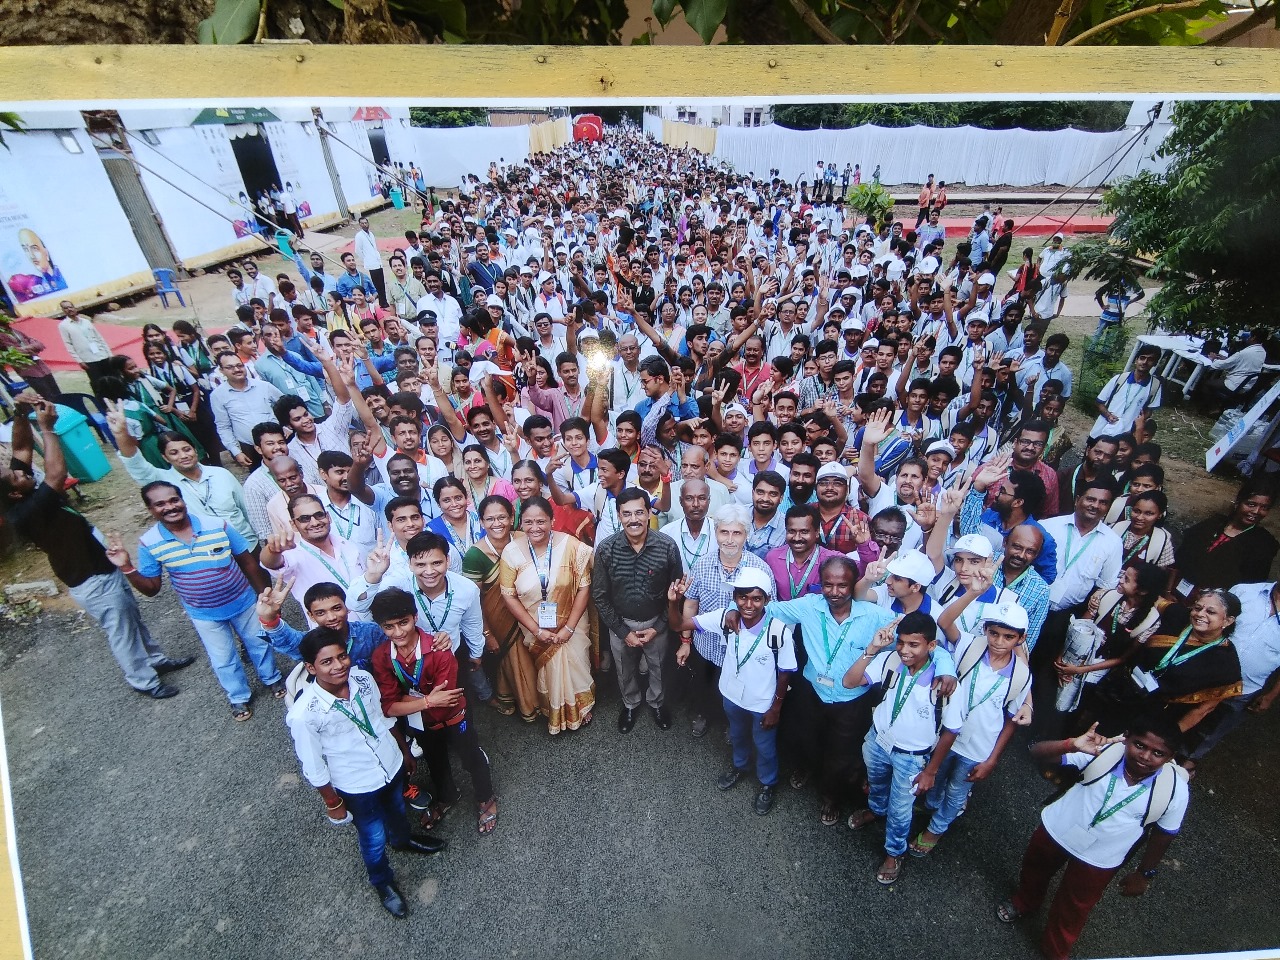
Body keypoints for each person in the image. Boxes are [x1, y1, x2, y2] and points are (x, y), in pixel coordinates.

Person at [1, 393, 193, 698]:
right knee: (122, 631)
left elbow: (22, 448)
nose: (24, 471)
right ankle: (145, 682)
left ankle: (156, 660)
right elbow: (56, 474)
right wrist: (47, 429)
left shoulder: (16, 491)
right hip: (92, 579)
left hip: (103, 565)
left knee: (131, 618)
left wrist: (21, 413)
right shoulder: (27, 511)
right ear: (13, 493)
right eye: (17, 475)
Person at [762, 556, 957, 827]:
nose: (834, 592)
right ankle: (806, 768)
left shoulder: (876, 616)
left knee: (841, 753)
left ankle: (831, 796)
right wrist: (733, 612)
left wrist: (946, 668)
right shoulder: (808, 605)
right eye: (828, 584)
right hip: (812, 692)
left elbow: (925, 641)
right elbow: (766, 610)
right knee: (806, 738)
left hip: (851, 701)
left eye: (842, 585)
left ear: (853, 584)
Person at [997, 715, 1190, 960]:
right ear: (1126, 738)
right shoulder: (1104, 751)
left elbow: (1164, 834)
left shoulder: (1175, 789)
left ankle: (1055, 951)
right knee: (1035, 869)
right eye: (1139, 745)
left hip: (1101, 857)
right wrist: (1071, 744)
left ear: (1171, 756)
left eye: (1158, 753)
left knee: (1075, 907)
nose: (1145, 756)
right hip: (1059, 829)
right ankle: (1026, 901)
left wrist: (1144, 873)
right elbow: (1037, 752)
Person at [285, 629, 445, 919]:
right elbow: (313, 765)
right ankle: (382, 882)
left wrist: (404, 752)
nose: (339, 666)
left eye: (342, 656)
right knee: (372, 838)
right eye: (327, 662)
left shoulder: (362, 678)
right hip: (357, 785)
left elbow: (382, 719)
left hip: (390, 764)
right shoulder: (304, 713)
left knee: (397, 811)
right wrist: (333, 803)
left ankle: (402, 840)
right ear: (311, 667)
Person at [104, 482, 281, 721]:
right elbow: (152, 589)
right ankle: (238, 696)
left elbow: (247, 561)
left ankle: (272, 678)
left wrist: (263, 594)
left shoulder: (217, 525)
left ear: (182, 500)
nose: (170, 507)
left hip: (243, 602)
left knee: (259, 643)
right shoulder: (150, 542)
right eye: (160, 504)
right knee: (223, 658)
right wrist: (126, 567)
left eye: (173, 500)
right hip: (203, 613)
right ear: (150, 510)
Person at [369, 588, 499, 836]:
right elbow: (388, 707)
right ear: (381, 627)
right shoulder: (381, 657)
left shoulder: (440, 650)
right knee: (434, 761)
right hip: (422, 723)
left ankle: (485, 796)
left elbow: (445, 700)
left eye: (403, 622)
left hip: (454, 719)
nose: (398, 632)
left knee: (471, 757)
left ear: (415, 617)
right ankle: (447, 796)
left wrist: (405, 702)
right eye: (389, 627)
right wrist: (428, 701)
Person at [667, 567, 796, 815]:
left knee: (765, 745)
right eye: (743, 597)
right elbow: (678, 625)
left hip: (762, 702)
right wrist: (674, 603)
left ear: (767, 600)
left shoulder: (778, 631)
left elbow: (785, 672)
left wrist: (776, 708)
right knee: (737, 735)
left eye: (756, 598)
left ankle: (768, 783)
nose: (749, 604)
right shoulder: (725, 619)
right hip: (731, 694)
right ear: (734, 597)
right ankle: (740, 766)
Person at [844, 610, 959, 885]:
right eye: (901, 642)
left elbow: (951, 731)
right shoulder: (890, 660)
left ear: (932, 645)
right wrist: (873, 649)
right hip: (878, 742)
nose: (905, 650)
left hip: (912, 757)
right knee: (877, 783)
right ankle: (876, 809)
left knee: (900, 809)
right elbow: (850, 682)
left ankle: (894, 852)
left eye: (913, 645)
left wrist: (930, 771)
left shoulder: (944, 683)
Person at [912, 601, 1032, 858]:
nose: (999, 641)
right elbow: (944, 622)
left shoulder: (1021, 675)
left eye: (1008, 637)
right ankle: (932, 804)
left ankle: (937, 828)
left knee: (958, 790)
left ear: (1021, 639)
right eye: (994, 633)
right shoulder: (969, 646)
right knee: (936, 774)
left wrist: (992, 759)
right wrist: (974, 593)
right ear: (985, 630)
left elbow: (1010, 720)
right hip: (946, 735)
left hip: (979, 746)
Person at [498, 496, 597, 734]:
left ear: (552, 521)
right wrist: (536, 630)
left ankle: (580, 705)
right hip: (535, 625)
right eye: (528, 522)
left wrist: (569, 627)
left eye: (541, 521)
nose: (535, 528)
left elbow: (584, 588)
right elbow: (508, 595)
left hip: (572, 623)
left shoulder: (572, 546)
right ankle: (554, 708)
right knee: (549, 668)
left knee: (575, 662)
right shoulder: (511, 552)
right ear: (520, 523)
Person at [591, 487, 685, 733]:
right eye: (627, 514)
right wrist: (623, 631)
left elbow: (676, 593)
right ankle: (630, 704)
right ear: (618, 516)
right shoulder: (606, 549)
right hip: (620, 623)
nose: (634, 519)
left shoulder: (667, 546)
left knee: (659, 668)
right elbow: (599, 596)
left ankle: (657, 703)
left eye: (639, 512)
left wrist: (659, 627)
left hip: (656, 623)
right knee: (624, 670)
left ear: (649, 513)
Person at [677, 503, 776, 738]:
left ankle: (732, 724)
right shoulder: (702, 565)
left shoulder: (760, 569)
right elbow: (691, 605)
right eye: (724, 532)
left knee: (738, 690)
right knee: (703, 684)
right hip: (707, 644)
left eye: (737, 533)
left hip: (743, 648)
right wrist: (685, 642)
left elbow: (770, 611)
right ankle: (702, 714)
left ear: (746, 535)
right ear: (716, 533)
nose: (730, 540)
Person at [462, 495, 539, 723]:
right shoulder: (475, 555)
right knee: (515, 659)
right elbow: (473, 601)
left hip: (529, 611)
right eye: (490, 519)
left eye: (502, 517)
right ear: (481, 522)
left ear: (512, 517)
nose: (497, 523)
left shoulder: (523, 538)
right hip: (498, 618)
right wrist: (487, 634)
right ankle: (529, 704)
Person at [1170, 481, 1278, 602]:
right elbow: (1180, 557)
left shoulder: (1262, 544)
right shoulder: (1213, 524)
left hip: (1214, 603)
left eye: (1264, 508)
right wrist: (1168, 590)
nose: (1256, 511)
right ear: (1238, 502)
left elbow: (1250, 586)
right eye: (1251, 504)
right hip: (1176, 590)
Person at [210, 351, 284, 469]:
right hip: (250, 448)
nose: (237, 369)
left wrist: (287, 427)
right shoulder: (218, 395)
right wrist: (236, 452)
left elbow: (286, 405)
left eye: (239, 365)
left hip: (278, 443)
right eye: (230, 367)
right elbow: (223, 426)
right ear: (221, 370)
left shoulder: (264, 386)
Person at [56, 301, 113, 393]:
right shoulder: (63, 326)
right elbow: (68, 344)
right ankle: (102, 400)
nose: (69, 309)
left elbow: (99, 337)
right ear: (63, 310)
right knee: (97, 382)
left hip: (102, 354)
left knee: (111, 378)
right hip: (88, 359)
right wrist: (80, 361)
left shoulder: (86, 321)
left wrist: (109, 354)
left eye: (70, 307)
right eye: (66, 308)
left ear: (74, 308)